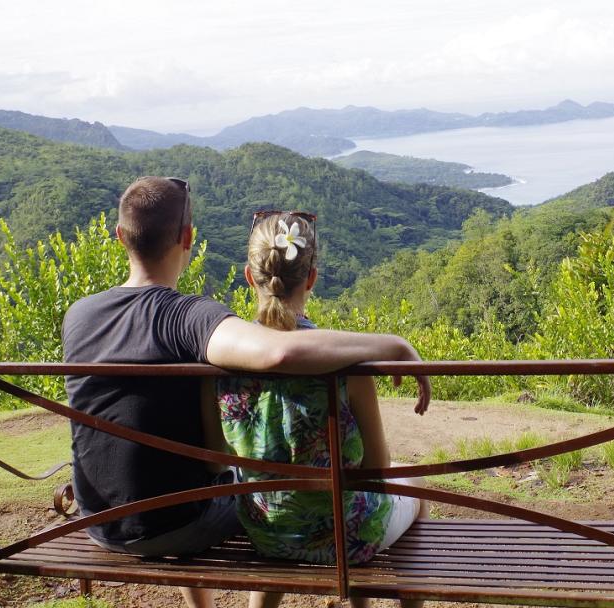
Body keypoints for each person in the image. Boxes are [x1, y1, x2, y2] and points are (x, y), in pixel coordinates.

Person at [62, 177, 430, 608]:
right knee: (405, 486)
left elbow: (217, 448)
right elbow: (277, 352)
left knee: (258, 490)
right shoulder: (189, 320)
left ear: (120, 236)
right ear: (188, 238)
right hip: (180, 520)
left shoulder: (78, 316)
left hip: (98, 521)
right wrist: (393, 343)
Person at [215, 211, 428, 608]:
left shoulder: (223, 360)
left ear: (249, 276)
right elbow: (375, 468)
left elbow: (218, 458)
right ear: (311, 278)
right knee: (411, 488)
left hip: (265, 533)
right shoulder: (348, 365)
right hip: (346, 540)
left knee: (285, 501)